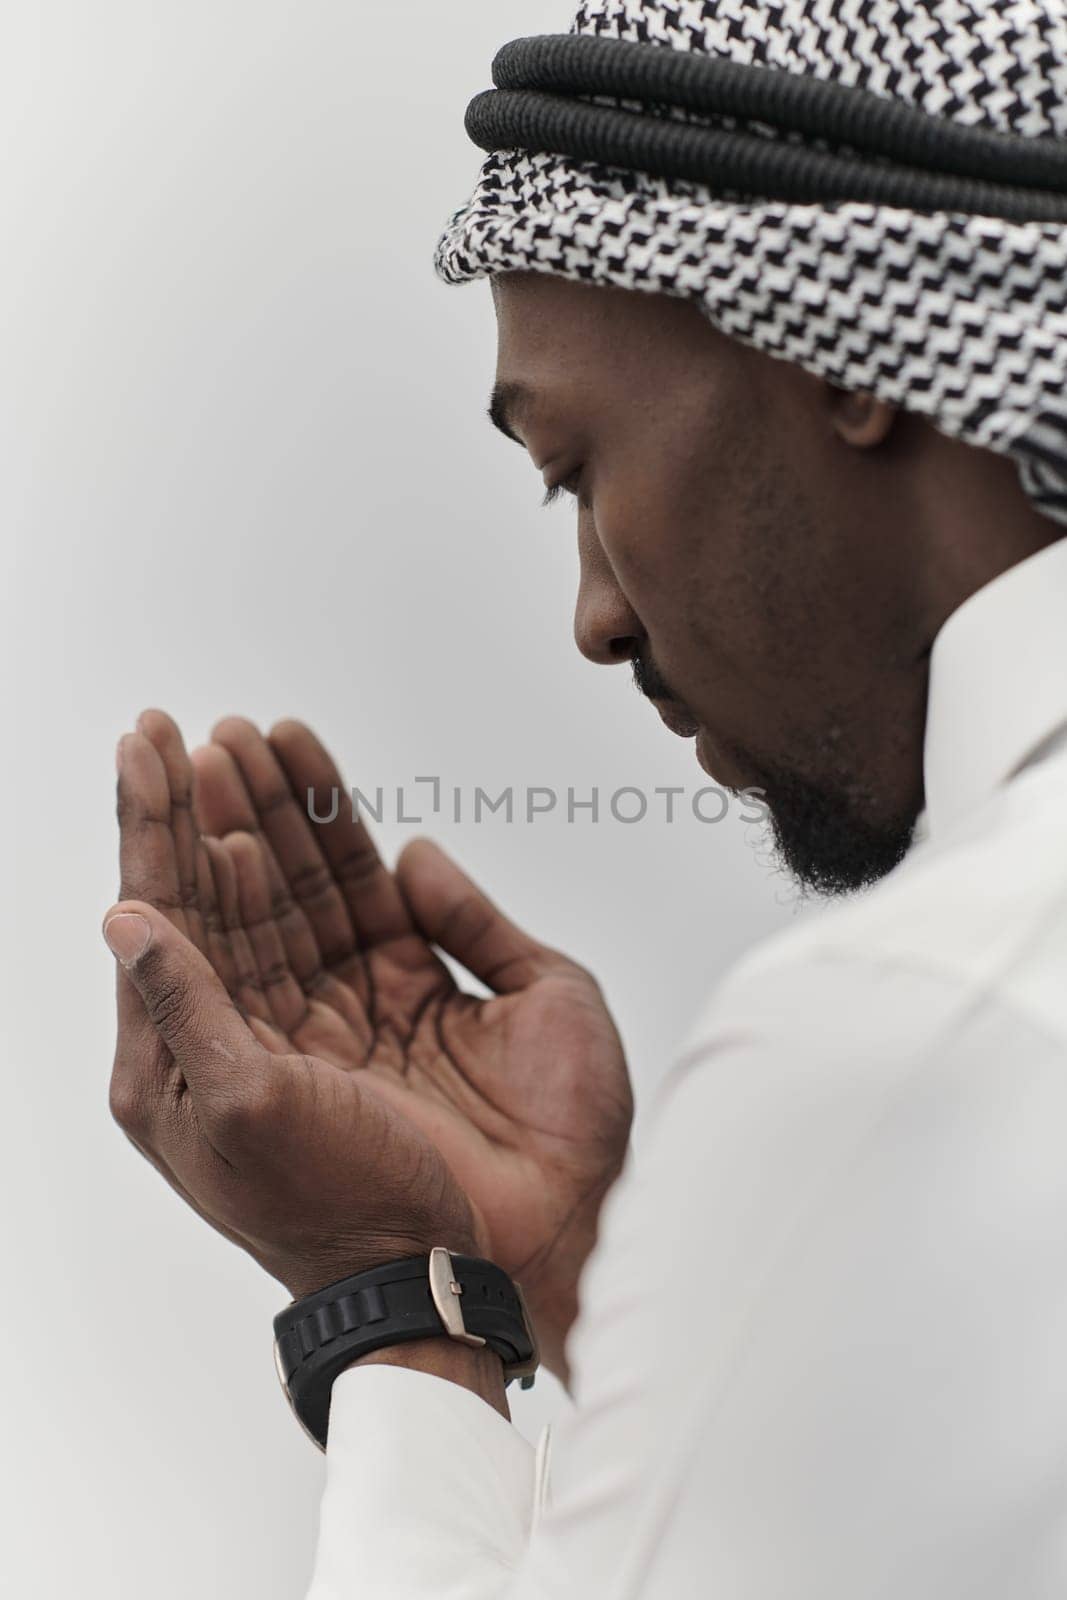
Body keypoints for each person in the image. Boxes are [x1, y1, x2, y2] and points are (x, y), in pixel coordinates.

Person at [103, 2, 1067, 1594]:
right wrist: (593, 1278)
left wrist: (400, 1309)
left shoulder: (914, 1033)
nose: (595, 616)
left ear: (837, 343)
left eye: (575, 464)